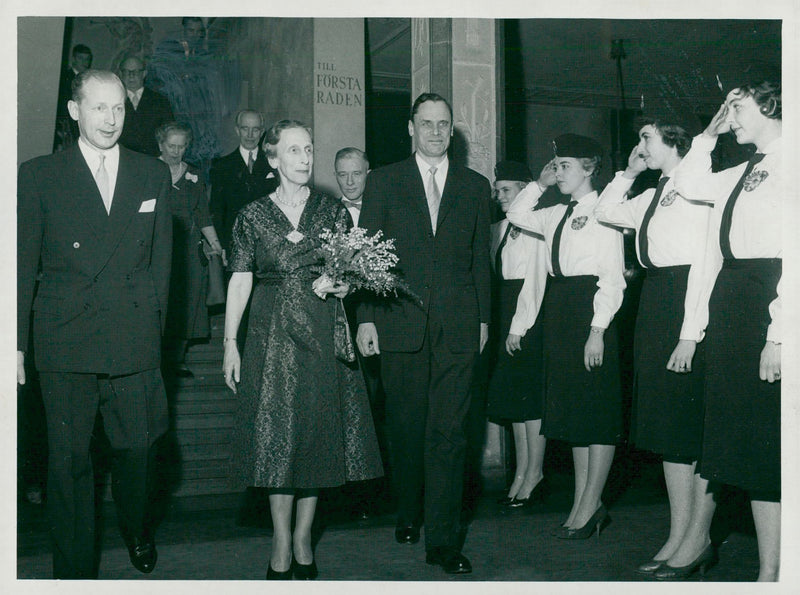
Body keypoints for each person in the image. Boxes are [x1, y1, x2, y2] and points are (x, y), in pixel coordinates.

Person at [17, 69, 172, 578]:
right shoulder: (38, 174)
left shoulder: (151, 174)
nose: (110, 119)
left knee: (140, 452)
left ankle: (136, 525)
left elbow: (164, 266)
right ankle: (74, 573)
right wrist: (14, 344)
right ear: (74, 110)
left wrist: (157, 336)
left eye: (119, 108)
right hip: (65, 338)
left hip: (133, 337)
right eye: (99, 107)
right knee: (69, 465)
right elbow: (19, 266)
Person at [223, 120, 383, 580]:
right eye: (294, 151)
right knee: (278, 440)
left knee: (317, 436)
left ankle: (303, 538)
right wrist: (230, 343)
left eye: (309, 149)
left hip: (320, 330)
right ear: (273, 159)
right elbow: (240, 279)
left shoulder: (332, 211)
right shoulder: (251, 215)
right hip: (271, 336)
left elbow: (352, 273)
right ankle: (278, 540)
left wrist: (338, 282)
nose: (305, 158)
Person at [356, 93, 491, 574]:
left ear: (452, 131)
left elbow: (481, 262)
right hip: (399, 322)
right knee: (407, 429)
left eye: (444, 124)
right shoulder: (384, 181)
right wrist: (367, 318)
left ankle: (444, 541)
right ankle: (408, 508)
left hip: (457, 326)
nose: (436, 132)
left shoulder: (475, 186)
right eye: (427, 123)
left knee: (449, 435)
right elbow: (369, 256)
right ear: (411, 128)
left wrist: (482, 320)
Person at [669, 71, 782, 582]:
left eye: (738, 108)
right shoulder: (744, 169)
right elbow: (689, 184)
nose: (731, 116)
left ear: (772, 106)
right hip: (734, 304)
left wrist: (778, 335)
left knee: (772, 448)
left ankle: (775, 573)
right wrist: (708, 135)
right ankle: (769, 569)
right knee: (747, 448)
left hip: (771, 303)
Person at [594, 109, 713, 575]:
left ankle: (697, 538)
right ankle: (677, 532)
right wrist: (628, 172)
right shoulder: (652, 195)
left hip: (687, 301)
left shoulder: (694, 184)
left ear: (673, 139)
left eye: (647, 137)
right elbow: (606, 212)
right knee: (668, 430)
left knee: (689, 425)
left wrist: (689, 334)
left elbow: (704, 261)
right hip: (655, 299)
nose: (640, 143)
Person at [507, 134, 625, 540]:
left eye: (565, 166)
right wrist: (537, 184)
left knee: (597, 411)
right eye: (555, 165)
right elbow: (518, 214)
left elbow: (612, 277)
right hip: (560, 309)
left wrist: (598, 331)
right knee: (574, 413)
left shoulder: (605, 212)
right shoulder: (554, 212)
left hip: (591, 311)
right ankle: (580, 502)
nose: (558, 172)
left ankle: (592, 502)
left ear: (589, 168)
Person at [486, 160, 549, 509]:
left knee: (530, 396)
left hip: (528, 314)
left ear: (526, 189)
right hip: (506, 309)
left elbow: (535, 282)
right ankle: (522, 470)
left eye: (506, 190)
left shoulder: (536, 225)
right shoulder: (502, 228)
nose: (499, 197)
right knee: (515, 399)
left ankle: (535, 471)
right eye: (497, 192)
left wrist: (519, 326)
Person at [157, 121, 224, 377]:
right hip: (158, 246)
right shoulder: (148, 170)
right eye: (171, 145)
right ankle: (159, 359)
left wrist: (217, 246)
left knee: (188, 304)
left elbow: (203, 215)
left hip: (188, 249)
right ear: (160, 144)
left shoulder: (193, 175)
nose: (176, 151)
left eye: (182, 146)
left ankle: (179, 359)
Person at [210, 109, 279, 257]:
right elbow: (217, 210)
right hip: (234, 245)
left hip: (268, 246)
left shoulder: (274, 163)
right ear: (237, 130)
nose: (249, 135)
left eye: (255, 130)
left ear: (262, 132)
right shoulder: (222, 166)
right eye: (245, 129)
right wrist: (221, 246)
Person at [118, 55, 175, 157]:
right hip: (121, 158)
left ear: (144, 74)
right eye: (127, 72)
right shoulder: (113, 99)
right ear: (120, 74)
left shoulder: (160, 100)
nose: (131, 76)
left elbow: (169, 133)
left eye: (136, 72)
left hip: (152, 158)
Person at [54, 44, 93, 151]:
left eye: (87, 59)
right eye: (81, 58)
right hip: (65, 127)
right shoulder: (63, 78)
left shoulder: (91, 80)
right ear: (73, 59)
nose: (84, 62)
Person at [334, 147, 370, 226]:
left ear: (368, 175)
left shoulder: (382, 211)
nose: (349, 182)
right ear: (336, 176)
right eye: (343, 175)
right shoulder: (328, 212)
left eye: (356, 174)